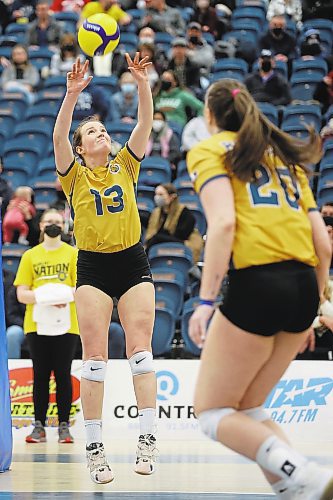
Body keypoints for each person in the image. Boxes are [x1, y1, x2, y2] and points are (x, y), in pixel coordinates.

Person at [186, 78, 333, 498]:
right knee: (250, 409)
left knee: (212, 413)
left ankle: (305, 473)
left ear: (211, 117)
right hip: (305, 286)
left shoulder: (209, 150)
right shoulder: (285, 158)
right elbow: (322, 242)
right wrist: (312, 310)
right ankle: (299, 489)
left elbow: (224, 224)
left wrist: (205, 302)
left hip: (260, 282)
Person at [53, 55, 157, 484]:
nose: (102, 133)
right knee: (94, 360)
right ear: (81, 147)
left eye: (103, 129)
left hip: (132, 260)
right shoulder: (73, 175)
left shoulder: (126, 165)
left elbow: (145, 124)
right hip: (93, 266)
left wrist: (143, 83)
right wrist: (72, 94)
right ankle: (95, 450)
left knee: (141, 354)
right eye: (92, 131)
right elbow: (59, 134)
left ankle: (147, 441)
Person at [14, 209, 79, 444]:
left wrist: (60, 296)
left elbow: (79, 288)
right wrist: (50, 297)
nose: (53, 224)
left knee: (63, 374)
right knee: (40, 375)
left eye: (58, 221)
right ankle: (38, 427)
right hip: (36, 323)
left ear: (64, 225)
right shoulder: (30, 256)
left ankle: (64, 427)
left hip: (67, 324)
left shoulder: (73, 254)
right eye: (49, 221)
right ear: (40, 225)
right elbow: (22, 294)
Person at [145, 183, 203, 262]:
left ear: (172, 197)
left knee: (157, 238)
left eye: (161, 194)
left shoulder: (184, 212)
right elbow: (150, 235)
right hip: (164, 242)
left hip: (183, 243)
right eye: (156, 194)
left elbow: (182, 235)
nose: (157, 197)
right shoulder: (156, 212)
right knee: (155, 239)